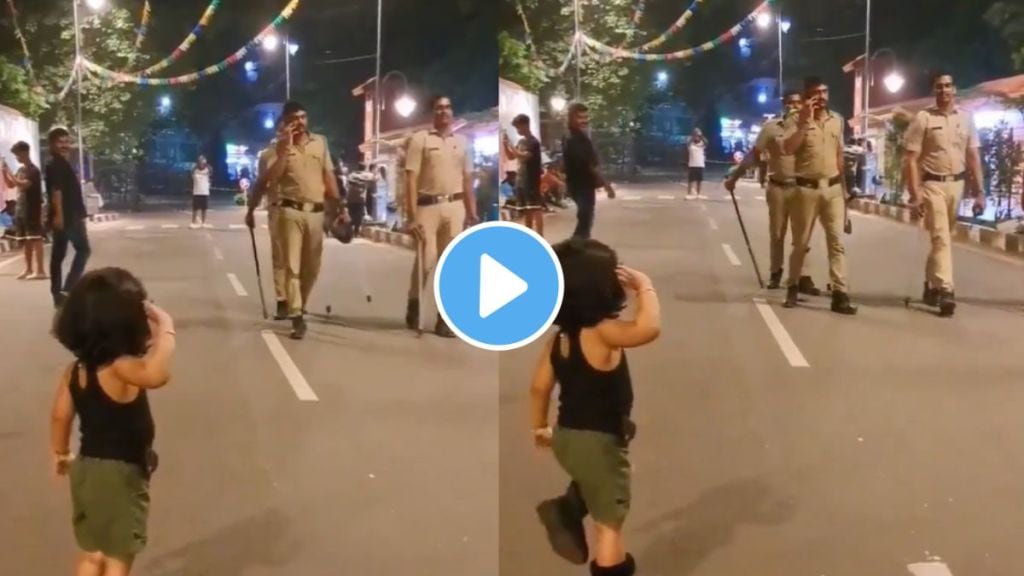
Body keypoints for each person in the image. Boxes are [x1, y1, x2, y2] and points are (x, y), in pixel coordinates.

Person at [529, 238, 660, 576]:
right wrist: (645, 288)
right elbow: (649, 328)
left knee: (596, 480)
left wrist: (539, 427)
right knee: (609, 523)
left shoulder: (560, 338)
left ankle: (568, 509)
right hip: (598, 440)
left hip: (567, 437)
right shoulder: (602, 332)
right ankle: (610, 566)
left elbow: (539, 387)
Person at [49, 267, 175, 576]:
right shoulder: (121, 367)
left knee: (93, 551)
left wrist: (60, 452)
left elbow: (60, 415)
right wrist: (166, 329)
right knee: (120, 553)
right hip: (121, 473)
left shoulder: (75, 370)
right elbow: (157, 374)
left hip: (86, 469)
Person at [246, 101, 347, 339]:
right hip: (288, 212)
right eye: (294, 119)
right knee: (291, 265)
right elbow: (268, 180)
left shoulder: (320, 143)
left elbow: (329, 176)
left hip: (316, 213)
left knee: (311, 268)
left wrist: (339, 207)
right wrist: (284, 151)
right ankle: (296, 315)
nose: (300, 122)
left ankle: (298, 303)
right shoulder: (275, 150)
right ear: (286, 123)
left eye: (303, 117)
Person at [903, 72, 985, 317]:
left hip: (956, 185)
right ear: (934, 91)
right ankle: (946, 290)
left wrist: (980, 191)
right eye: (939, 87)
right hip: (932, 186)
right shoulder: (924, 118)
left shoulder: (967, 119)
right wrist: (915, 193)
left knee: (944, 237)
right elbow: (911, 159)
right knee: (940, 237)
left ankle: (931, 285)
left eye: (948, 86)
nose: (944, 91)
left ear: (955, 89)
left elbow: (973, 156)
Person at [725, 91, 822, 294]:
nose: (793, 106)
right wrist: (735, 177)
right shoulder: (771, 128)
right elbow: (754, 154)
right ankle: (776, 273)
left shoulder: (811, 128)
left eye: (798, 103)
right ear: (784, 105)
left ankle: (802, 277)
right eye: (790, 103)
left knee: (802, 238)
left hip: (802, 188)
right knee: (777, 234)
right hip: (778, 187)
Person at [780, 77, 858, 314]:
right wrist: (804, 123)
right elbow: (787, 148)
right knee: (801, 243)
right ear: (806, 97)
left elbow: (839, 158)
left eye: (824, 92)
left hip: (833, 189)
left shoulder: (837, 121)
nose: (821, 97)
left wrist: (844, 192)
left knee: (836, 242)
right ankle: (792, 286)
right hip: (806, 189)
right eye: (815, 93)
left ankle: (840, 294)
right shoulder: (795, 119)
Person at [403, 94, 478, 337]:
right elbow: (411, 179)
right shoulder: (420, 140)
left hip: (455, 207)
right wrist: (411, 216)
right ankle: (414, 302)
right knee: (427, 261)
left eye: (447, 107)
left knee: (451, 265)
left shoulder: (463, 142)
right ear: (432, 114)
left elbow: (468, 179)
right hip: (427, 207)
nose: (444, 112)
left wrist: (472, 212)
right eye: (438, 108)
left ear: (452, 111)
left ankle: (444, 319)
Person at [45, 126, 91, 309]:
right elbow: (57, 191)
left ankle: (58, 294)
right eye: (60, 142)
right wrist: (59, 215)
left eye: (66, 142)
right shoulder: (55, 164)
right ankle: (67, 289)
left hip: (68, 215)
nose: (64, 145)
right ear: (52, 144)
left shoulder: (60, 163)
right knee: (83, 250)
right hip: (68, 216)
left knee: (59, 255)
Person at [562, 103, 615, 239]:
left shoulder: (574, 137)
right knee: (585, 218)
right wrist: (606, 185)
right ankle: (576, 249)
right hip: (582, 185)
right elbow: (590, 165)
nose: (584, 121)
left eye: (586, 117)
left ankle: (579, 247)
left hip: (578, 184)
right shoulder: (576, 139)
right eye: (580, 117)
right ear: (572, 117)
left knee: (585, 218)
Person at [254, 119, 289, 320]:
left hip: (300, 210)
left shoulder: (300, 152)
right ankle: (282, 299)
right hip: (277, 208)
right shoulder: (267, 155)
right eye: (283, 129)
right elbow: (261, 182)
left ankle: (297, 299)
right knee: (279, 257)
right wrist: (252, 207)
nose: (286, 132)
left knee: (298, 257)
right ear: (277, 131)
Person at [2, 141, 46, 280]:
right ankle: (28, 269)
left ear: (25, 152)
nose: (16, 158)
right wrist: (4, 172)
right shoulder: (21, 170)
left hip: (32, 208)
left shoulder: (33, 170)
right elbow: (11, 185)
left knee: (35, 238)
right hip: (21, 207)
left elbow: (22, 184)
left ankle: (40, 270)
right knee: (25, 240)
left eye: (17, 154)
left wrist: (8, 171)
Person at [503, 114, 544, 236]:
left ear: (525, 125)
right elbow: (511, 156)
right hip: (521, 180)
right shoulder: (521, 141)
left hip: (532, 180)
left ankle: (540, 237)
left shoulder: (533, 142)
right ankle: (530, 236)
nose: (517, 130)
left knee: (535, 208)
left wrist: (510, 145)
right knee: (527, 210)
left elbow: (523, 156)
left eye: (518, 127)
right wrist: (505, 144)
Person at [189, 155, 212, 229]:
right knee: (195, 209)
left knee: (204, 209)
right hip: (196, 192)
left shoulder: (207, 170)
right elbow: (192, 172)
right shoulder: (195, 170)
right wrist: (198, 164)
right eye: (200, 161)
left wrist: (206, 163)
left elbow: (211, 170)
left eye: (203, 162)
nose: (202, 163)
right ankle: (193, 222)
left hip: (205, 192)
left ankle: (203, 222)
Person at [685, 128, 708, 200]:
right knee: (691, 180)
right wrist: (694, 135)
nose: (697, 137)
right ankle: (689, 194)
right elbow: (688, 142)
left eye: (698, 136)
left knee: (699, 181)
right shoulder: (690, 145)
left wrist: (701, 135)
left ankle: (698, 194)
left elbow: (706, 142)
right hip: (692, 164)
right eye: (696, 136)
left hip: (700, 164)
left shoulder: (702, 144)